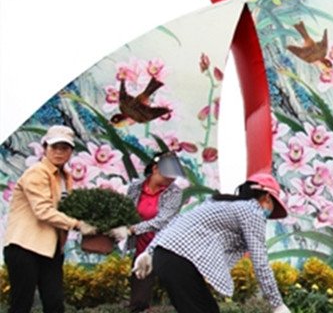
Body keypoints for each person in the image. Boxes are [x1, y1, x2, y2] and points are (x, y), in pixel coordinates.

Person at [131, 171, 291, 313]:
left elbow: (177, 221)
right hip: (178, 260)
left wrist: (150, 251)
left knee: (208, 309)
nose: (269, 214)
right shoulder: (252, 210)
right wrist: (277, 304)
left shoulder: (220, 203)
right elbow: (260, 260)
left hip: (168, 257)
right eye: (273, 205)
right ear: (267, 197)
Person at [3, 125, 98, 313]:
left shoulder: (65, 176)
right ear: (45, 148)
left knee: (54, 304)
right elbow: (43, 210)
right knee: (21, 305)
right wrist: (78, 225)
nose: (59, 152)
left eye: (64, 148)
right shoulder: (36, 172)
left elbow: (67, 209)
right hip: (25, 247)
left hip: (51, 249)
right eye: (54, 147)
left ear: (71, 151)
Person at [107, 150, 187, 312]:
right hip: (142, 246)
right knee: (140, 290)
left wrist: (133, 229)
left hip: (165, 246)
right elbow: (127, 211)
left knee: (179, 288)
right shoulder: (135, 187)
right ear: (155, 169)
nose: (171, 179)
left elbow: (163, 220)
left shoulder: (174, 192)